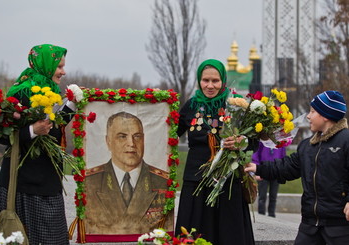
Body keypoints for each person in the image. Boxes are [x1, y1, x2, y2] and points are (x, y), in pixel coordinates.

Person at [245, 91, 349, 245]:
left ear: (326, 115)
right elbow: (287, 166)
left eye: (312, 111)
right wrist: (258, 168)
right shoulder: (308, 145)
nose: (308, 116)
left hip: (340, 225)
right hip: (310, 225)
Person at [0, 44, 76, 244]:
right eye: (59, 67)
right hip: (22, 188)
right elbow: (3, 136)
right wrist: (31, 131)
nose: (63, 72)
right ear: (46, 65)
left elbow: (51, 131)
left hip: (47, 186)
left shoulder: (49, 91)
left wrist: (72, 104)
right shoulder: (22, 92)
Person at [175, 59, 255, 245]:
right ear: (199, 80)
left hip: (227, 182)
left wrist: (242, 142)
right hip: (196, 182)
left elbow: (254, 142)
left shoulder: (235, 106)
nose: (210, 85)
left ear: (223, 81)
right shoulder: (191, 106)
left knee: (227, 234)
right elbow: (170, 135)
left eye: (215, 81)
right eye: (205, 80)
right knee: (194, 233)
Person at [84, 111, 172, 235]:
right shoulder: (90, 182)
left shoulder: (162, 181)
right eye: (122, 136)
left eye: (137, 136)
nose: (131, 143)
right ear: (108, 142)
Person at [252, 142, 286, 217]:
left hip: (276, 171)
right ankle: (261, 214)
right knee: (262, 196)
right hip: (263, 170)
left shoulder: (280, 142)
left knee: (273, 196)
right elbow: (256, 155)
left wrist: (282, 171)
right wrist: (257, 171)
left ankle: (272, 214)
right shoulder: (263, 141)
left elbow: (284, 157)